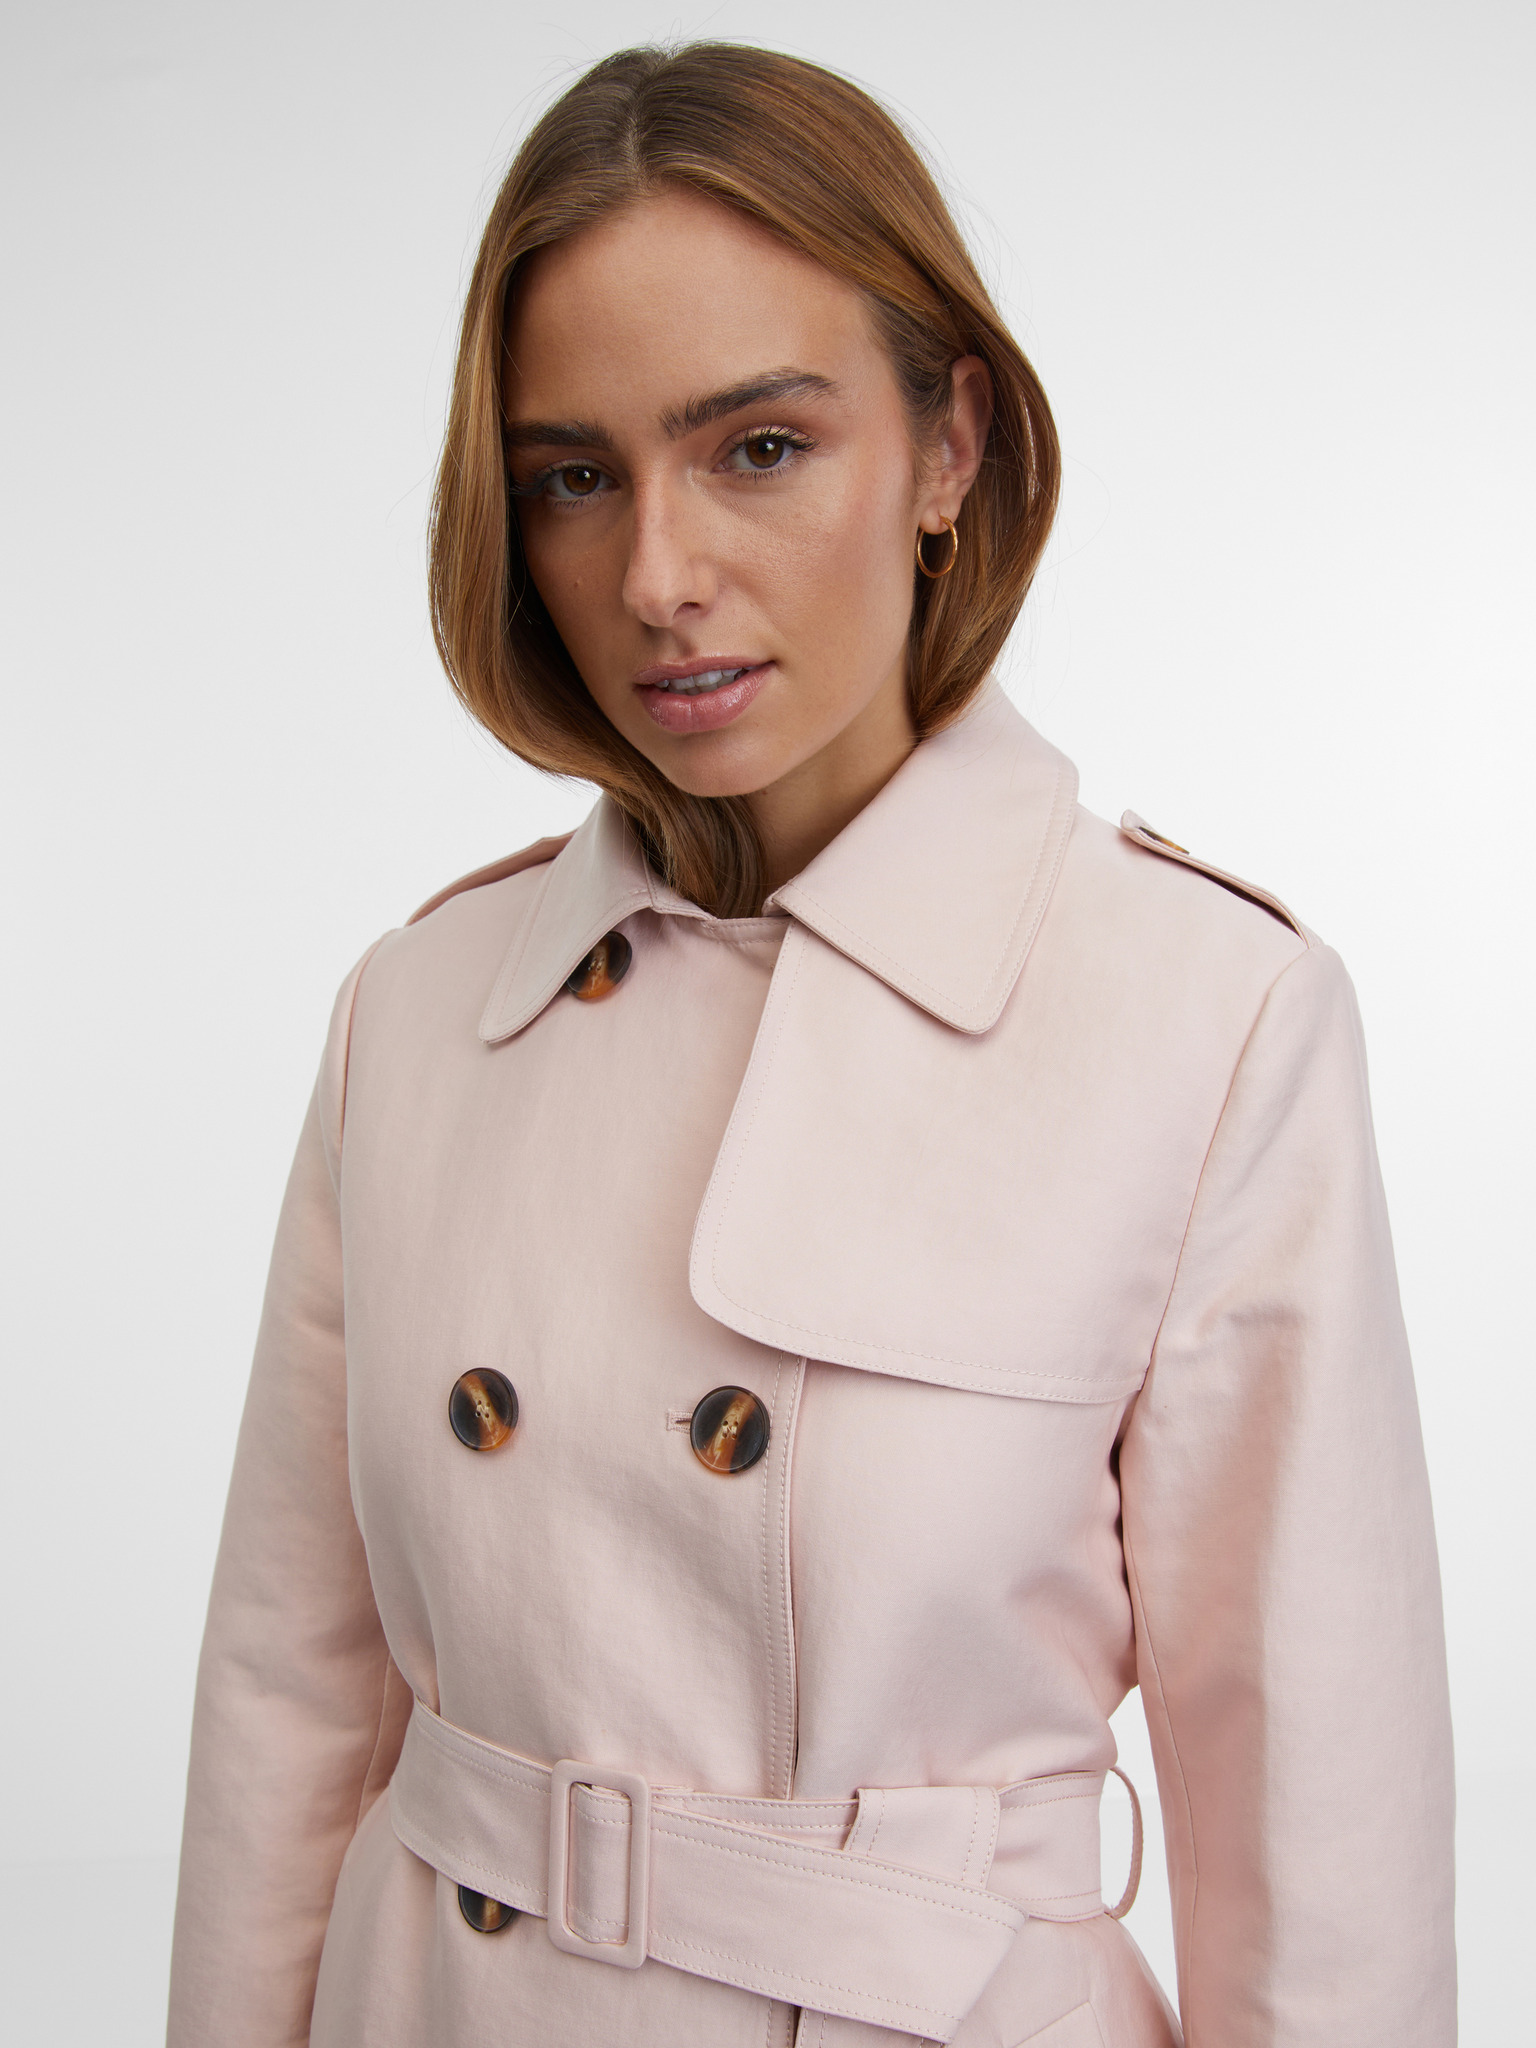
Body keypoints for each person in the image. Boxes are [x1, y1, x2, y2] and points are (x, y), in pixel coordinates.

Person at [166, 42, 1455, 2048]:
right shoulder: (417, 1012)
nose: (657, 577)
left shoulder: (1206, 1017)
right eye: (575, 476)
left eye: (759, 447)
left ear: (950, 447)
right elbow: (290, 1714)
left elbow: (1320, 1833)